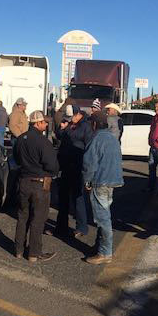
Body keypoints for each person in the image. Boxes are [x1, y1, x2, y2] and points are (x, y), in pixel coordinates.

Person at [13, 110, 59, 262]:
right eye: (44, 122)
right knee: (38, 219)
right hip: (39, 184)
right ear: (37, 123)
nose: (46, 124)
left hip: (23, 182)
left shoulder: (20, 139)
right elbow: (52, 166)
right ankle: (34, 253)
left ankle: (18, 250)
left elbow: (16, 159)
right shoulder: (43, 142)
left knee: (22, 216)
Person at [82, 111, 124, 265]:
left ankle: (105, 252)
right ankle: (101, 246)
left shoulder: (96, 139)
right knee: (104, 214)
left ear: (94, 124)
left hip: (100, 181)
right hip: (112, 181)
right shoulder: (113, 138)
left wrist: (87, 181)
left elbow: (89, 164)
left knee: (102, 218)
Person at [54, 109, 93, 237]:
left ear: (80, 115)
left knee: (78, 197)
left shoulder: (86, 127)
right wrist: (61, 128)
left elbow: (88, 145)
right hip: (65, 165)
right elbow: (60, 136)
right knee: (63, 197)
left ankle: (81, 227)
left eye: (74, 115)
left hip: (77, 166)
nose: (72, 118)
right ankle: (61, 227)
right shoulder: (69, 125)